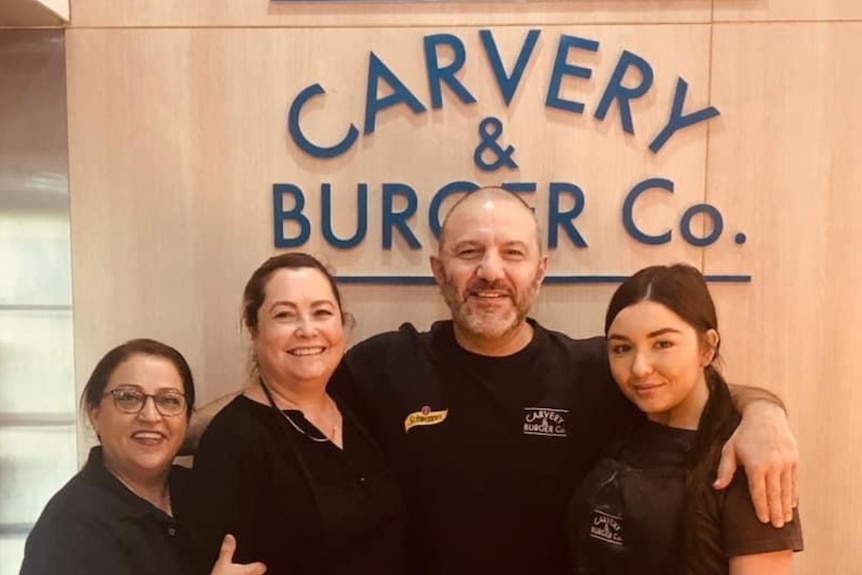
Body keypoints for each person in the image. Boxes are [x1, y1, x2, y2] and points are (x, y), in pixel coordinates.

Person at [189, 186, 799, 575]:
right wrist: (161, 432)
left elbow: (685, 386)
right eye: (469, 252)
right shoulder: (384, 366)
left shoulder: (594, 370)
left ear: (541, 270)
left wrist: (764, 413)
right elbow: (283, 398)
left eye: (512, 252)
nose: (490, 272)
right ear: (437, 270)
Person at [567, 264, 803, 574]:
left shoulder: (745, 457)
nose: (639, 368)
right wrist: (764, 408)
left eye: (662, 344)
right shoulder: (619, 415)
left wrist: (766, 414)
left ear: (707, 347)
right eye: (622, 348)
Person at [188, 253, 406, 575]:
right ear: (253, 329)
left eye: (321, 312)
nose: (307, 330)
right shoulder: (232, 441)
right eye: (285, 315)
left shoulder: (358, 408)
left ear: (341, 324)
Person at [19, 338, 266, 575]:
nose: (150, 416)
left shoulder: (197, 491)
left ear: (187, 418)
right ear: (94, 414)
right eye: (128, 397)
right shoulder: (69, 527)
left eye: (169, 400)